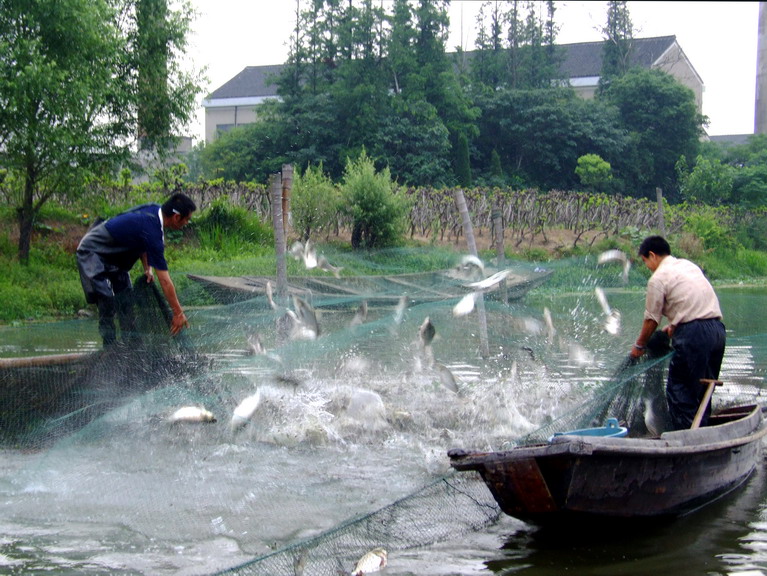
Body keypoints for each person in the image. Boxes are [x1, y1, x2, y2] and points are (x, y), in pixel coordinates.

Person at [629, 235, 726, 430]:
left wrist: (639, 346)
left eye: (645, 261)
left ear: (652, 255)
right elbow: (693, 298)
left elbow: (651, 320)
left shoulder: (658, 278)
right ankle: (703, 432)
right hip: (717, 332)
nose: (647, 266)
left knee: (679, 390)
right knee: (703, 389)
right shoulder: (688, 266)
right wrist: (675, 326)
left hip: (694, 335)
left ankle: (686, 442)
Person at [76, 193, 196, 348]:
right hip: (93, 251)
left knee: (126, 298)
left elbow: (142, 241)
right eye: (187, 219)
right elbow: (165, 281)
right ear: (176, 217)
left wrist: (147, 268)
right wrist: (178, 313)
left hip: (116, 257)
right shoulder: (153, 230)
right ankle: (110, 347)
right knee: (107, 299)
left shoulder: (154, 213)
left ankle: (132, 346)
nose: (187, 223)